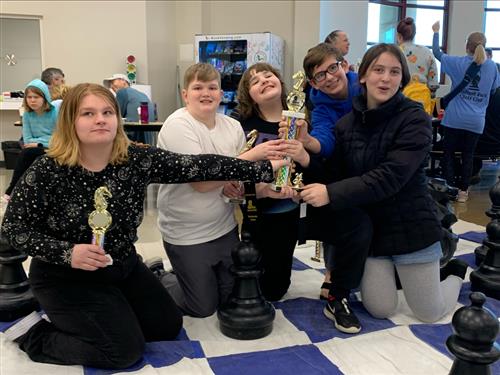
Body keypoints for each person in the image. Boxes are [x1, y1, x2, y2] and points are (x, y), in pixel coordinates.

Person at [1, 83, 285, 369]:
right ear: (70, 121)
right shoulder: (48, 169)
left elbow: (196, 165)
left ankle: (108, 311)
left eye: (107, 112)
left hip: (122, 264)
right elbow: (13, 228)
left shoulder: (136, 159)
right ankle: (33, 335)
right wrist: (67, 252)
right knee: (123, 351)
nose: (100, 119)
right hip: (65, 276)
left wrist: (262, 168)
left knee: (166, 326)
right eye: (87, 113)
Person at [286, 43, 468, 328]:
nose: (386, 78)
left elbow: (390, 177)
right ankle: (407, 276)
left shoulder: (415, 118)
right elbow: (334, 171)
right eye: (379, 70)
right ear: (363, 76)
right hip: (374, 233)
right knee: (380, 308)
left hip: (410, 226)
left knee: (429, 312)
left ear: (402, 79)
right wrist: (305, 157)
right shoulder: (346, 124)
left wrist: (330, 193)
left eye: (394, 72)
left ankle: (455, 271)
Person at [156, 63, 287, 316]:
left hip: (224, 228)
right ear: (185, 95)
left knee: (230, 298)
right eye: (198, 88)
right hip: (187, 233)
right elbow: (202, 183)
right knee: (203, 308)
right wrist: (251, 157)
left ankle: (191, 277)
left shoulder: (232, 126)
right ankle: (161, 278)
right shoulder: (177, 125)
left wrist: (258, 189)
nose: (206, 93)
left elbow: (233, 181)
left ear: (221, 93)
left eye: (212, 87)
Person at [229, 62, 300, 301]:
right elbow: (234, 171)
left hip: (286, 210)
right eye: (255, 81)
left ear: (280, 81)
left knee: (276, 290)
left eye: (268, 76)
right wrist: (262, 190)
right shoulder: (241, 125)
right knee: (249, 275)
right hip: (253, 211)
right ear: (248, 95)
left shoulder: (299, 117)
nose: (264, 81)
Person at [299, 43, 362, 299]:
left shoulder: (366, 88)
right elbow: (323, 140)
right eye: (320, 75)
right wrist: (307, 141)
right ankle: (331, 272)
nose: (329, 77)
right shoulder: (321, 106)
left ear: (344, 65)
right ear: (313, 84)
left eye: (332, 68)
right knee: (337, 211)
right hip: (345, 169)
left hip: (376, 164)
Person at [432, 21, 500, 202]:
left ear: (466, 46)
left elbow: (437, 53)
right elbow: (493, 90)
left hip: (454, 118)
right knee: (468, 155)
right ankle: (463, 192)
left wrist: (436, 32)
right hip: (477, 121)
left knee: (448, 153)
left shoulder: (457, 63)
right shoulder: (493, 66)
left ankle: (449, 188)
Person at [3, 79, 58, 201]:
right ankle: (19, 191)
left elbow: (60, 137)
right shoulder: (27, 115)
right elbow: (27, 140)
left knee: (26, 153)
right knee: (27, 152)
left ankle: (12, 189)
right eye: (29, 97)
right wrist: (42, 142)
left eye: (36, 97)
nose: (32, 100)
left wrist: (39, 142)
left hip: (55, 147)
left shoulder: (55, 112)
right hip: (36, 148)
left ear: (44, 97)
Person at [397, 17, 438, 115]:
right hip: (423, 103)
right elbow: (433, 83)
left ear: (399, 36)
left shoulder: (395, 52)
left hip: (401, 102)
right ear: (414, 35)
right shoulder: (427, 52)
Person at [103, 73, 155, 143]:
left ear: (123, 81)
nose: (111, 86)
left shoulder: (122, 92)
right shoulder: (142, 94)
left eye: (113, 82)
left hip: (133, 134)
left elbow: (117, 114)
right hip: (148, 135)